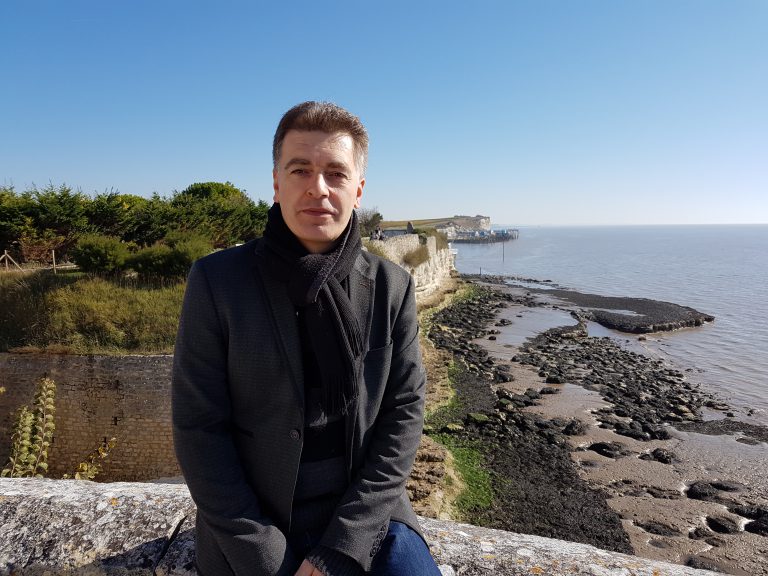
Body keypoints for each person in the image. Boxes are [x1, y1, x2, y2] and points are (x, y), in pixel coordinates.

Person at [172, 101, 442, 576]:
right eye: (300, 170)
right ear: (277, 183)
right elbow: (199, 429)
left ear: (358, 190)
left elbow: (403, 413)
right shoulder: (218, 282)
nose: (318, 188)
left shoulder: (391, 286)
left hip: (366, 518)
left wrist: (344, 544)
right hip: (256, 523)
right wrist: (265, 556)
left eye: (336, 173)